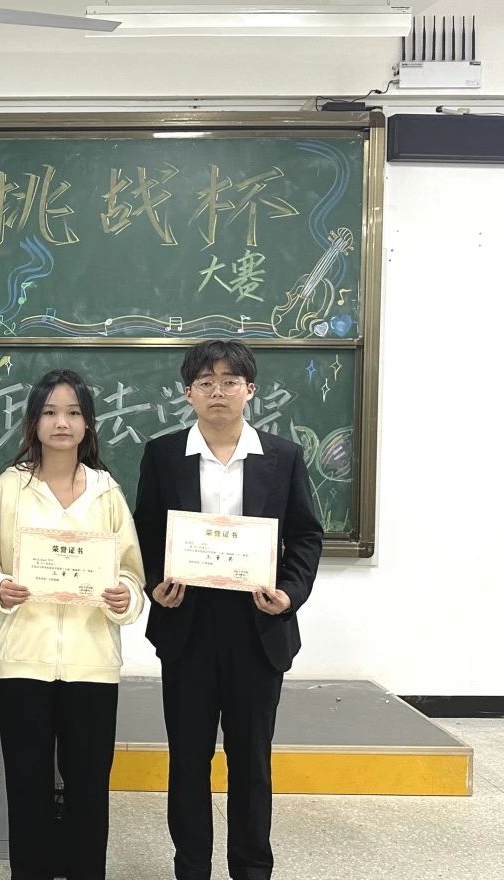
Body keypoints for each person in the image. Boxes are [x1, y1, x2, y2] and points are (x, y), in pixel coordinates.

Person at [133, 340, 322, 880]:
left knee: (252, 761)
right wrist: (154, 585)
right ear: (187, 392)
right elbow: (145, 531)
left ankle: (252, 869)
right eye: (206, 382)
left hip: (258, 628)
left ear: (250, 390)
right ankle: (191, 868)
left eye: (230, 382)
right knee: (188, 760)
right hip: (187, 626)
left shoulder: (282, 456)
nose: (218, 391)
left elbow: (305, 536)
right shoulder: (163, 454)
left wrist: (289, 593)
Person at [0, 369, 145, 880]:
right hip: (23, 658)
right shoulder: (7, 488)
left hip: (92, 662)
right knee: (27, 785)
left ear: (88, 424)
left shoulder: (107, 494)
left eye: (72, 413)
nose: (61, 423)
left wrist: (124, 595)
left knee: (89, 786)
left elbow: (132, 572)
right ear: (33, 422)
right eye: (49, 412)